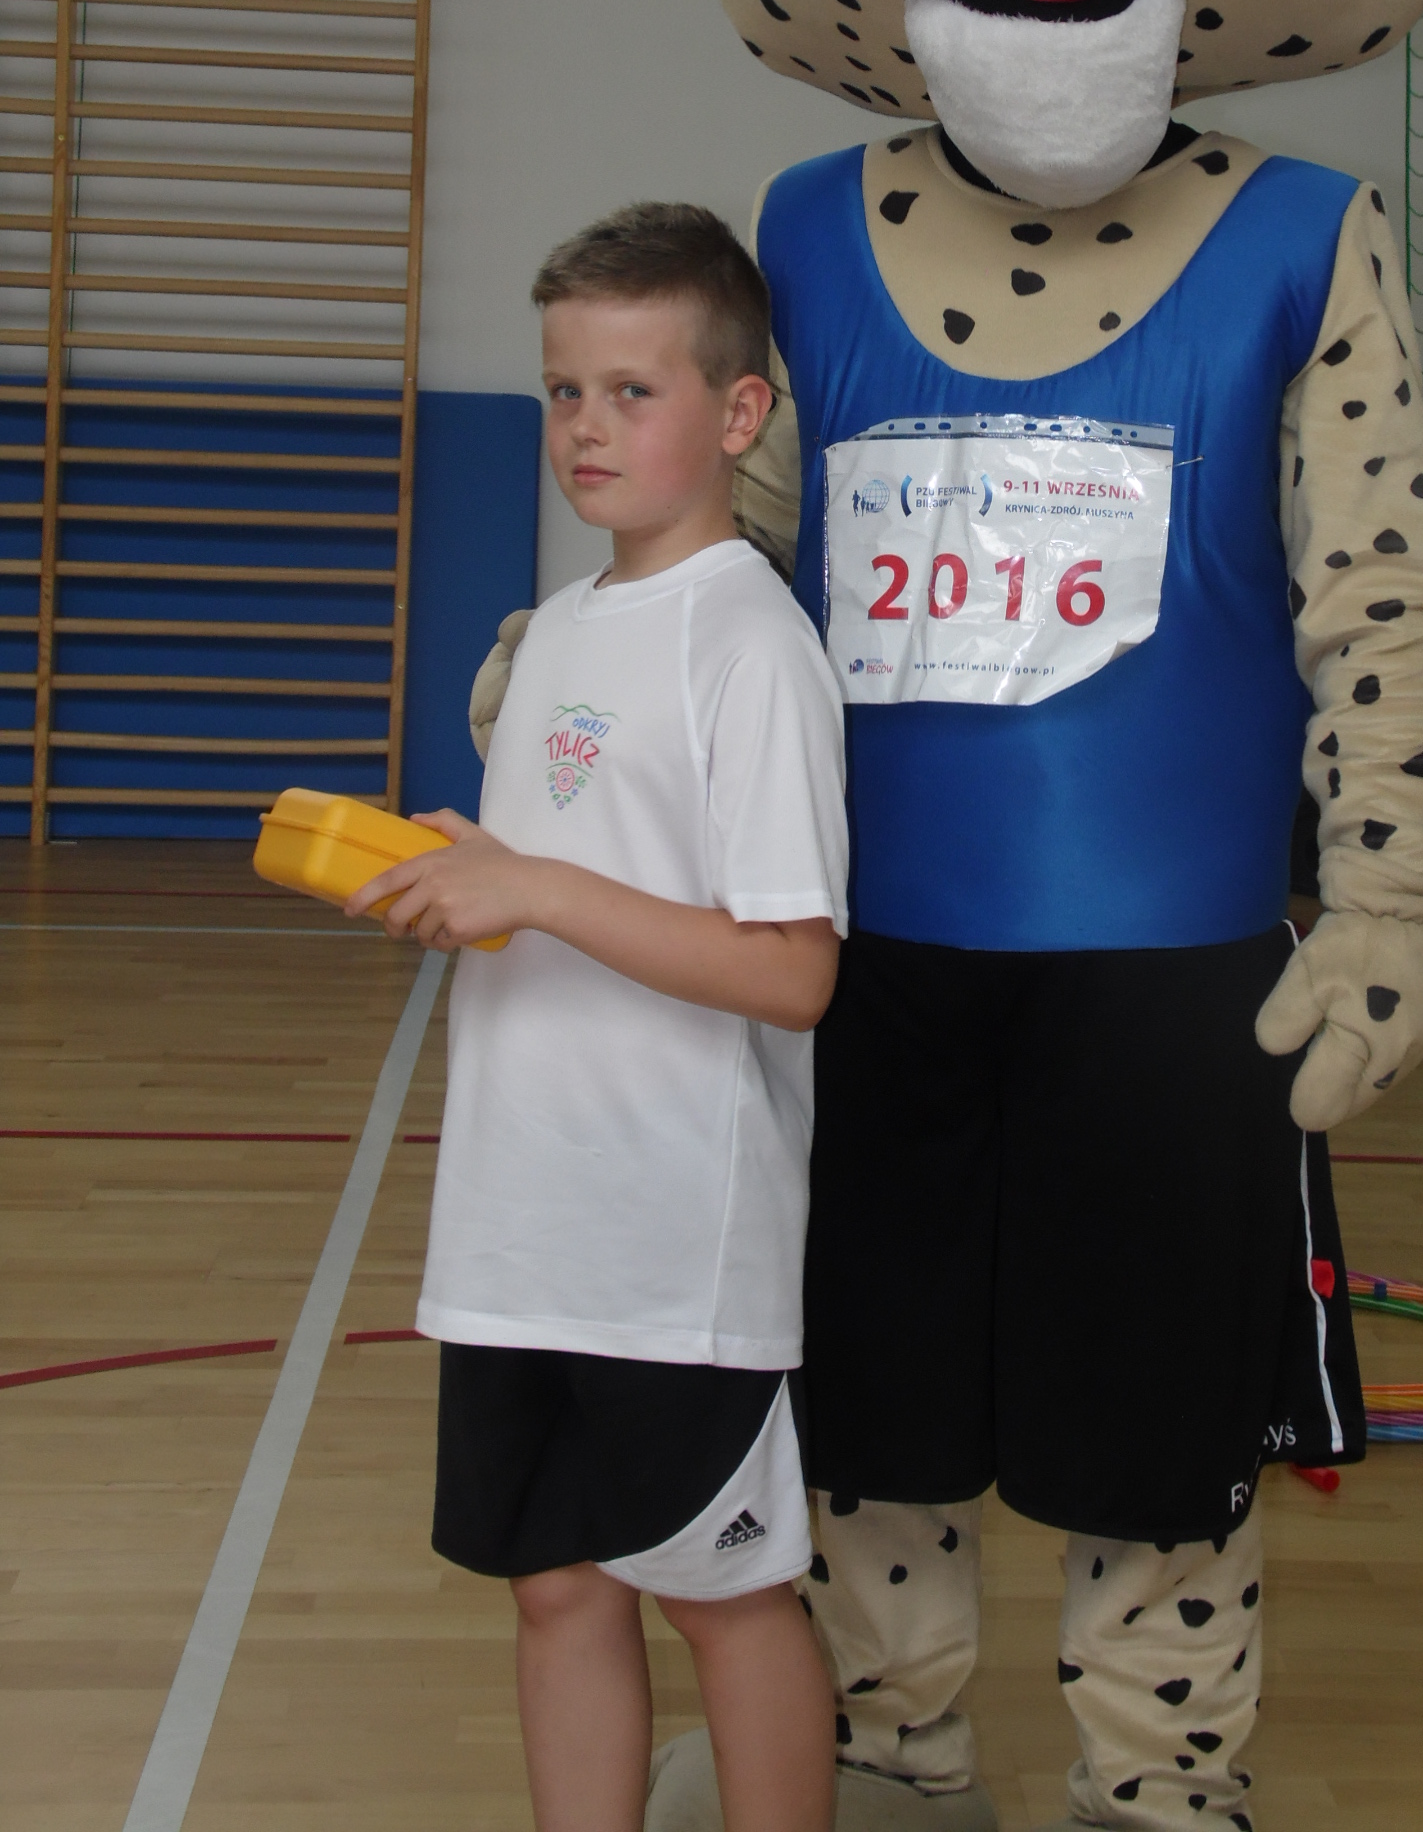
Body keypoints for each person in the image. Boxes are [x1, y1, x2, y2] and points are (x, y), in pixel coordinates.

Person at [353, 202, 848, 1832]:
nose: (587, 427)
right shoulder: (562, 627)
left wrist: (544, 891)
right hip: (521, 1225)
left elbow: (792, 969)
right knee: (556, 1587)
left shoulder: (754, 647)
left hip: (672, 1251)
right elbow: (575, 882)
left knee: (726, 1601)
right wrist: (479, 871)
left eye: (635, 391)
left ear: (740, 411)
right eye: (567, 389)